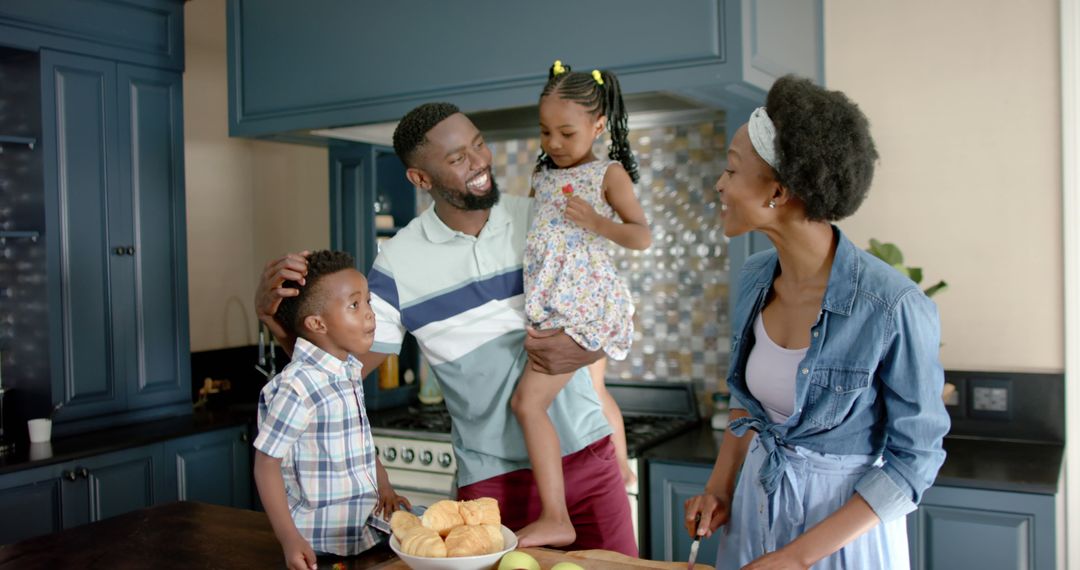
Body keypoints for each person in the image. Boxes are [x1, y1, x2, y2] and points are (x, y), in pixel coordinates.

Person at [255, 103, 638, 556]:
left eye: (478, 144)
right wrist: (272, 319)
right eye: (457, 158)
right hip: (493, 483)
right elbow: (338, 374)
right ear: (421, 180)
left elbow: (610, 310)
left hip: (588, 455)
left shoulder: (542, 217)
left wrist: (586, 352)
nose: (479, 162)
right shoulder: (398, 263)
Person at [683, 75, 949, 569]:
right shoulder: (755, 276)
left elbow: (915, 461)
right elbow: (747, 404)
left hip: (842, 538)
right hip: (755, 512)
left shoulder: (893, 305)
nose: (720, 184)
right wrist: (718, 490)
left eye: (732, 170)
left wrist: (796, 558)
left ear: (778, 192)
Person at [510, 61, 651, 548]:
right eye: (546, 131)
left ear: (597, 126)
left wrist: (599, 222)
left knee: (528, 404)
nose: (553, 142)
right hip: (555, 306)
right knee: (555, 400)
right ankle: (583, 491)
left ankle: (557, 514)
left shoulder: (607, 175)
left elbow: (642, 234)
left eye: (567, 132)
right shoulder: (544, 175)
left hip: (585, 307)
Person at [252, 250, 411, 570]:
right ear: (316, 323)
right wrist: (288, 538)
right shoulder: (297, 387)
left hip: (361, 537)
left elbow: (361, 441)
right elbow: (266, 465)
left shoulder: (348, 370)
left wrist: (386, 487)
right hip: (319, 546)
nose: (370, 314)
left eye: (368, 301)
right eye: (355, 304)